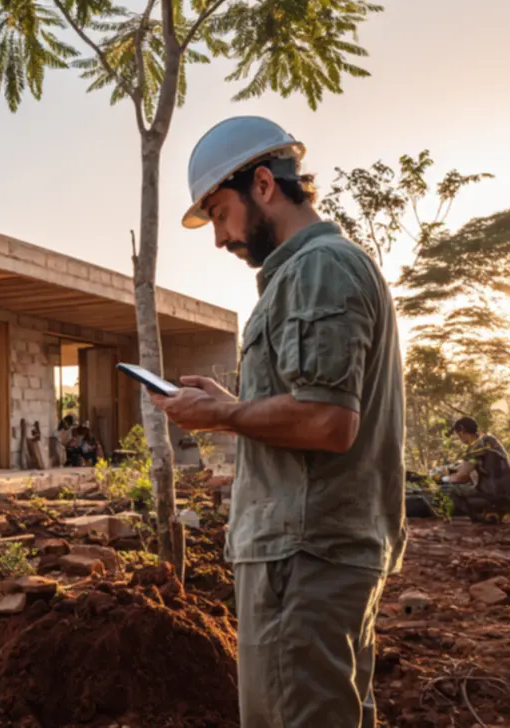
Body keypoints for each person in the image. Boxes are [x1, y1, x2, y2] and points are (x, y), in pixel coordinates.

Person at [152, 116, 405, 728]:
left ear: (263, 184)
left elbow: (326, 421)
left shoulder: (319, 269)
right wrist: (231, 407)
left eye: (218, 213)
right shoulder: (313, 270)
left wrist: (224, 414)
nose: (218, 238)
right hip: (316, 550)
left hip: (305, 553)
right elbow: (312, 404)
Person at [444, 417, 510, 521]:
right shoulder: (489, 440)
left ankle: (479, 514)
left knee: (449, 490)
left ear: (462, 431)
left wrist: (445, 479)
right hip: (507, 494)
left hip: (490, 494)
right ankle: (495, 512)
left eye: (458, 434)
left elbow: (461, 476)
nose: (459, 438)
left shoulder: (477, 446)